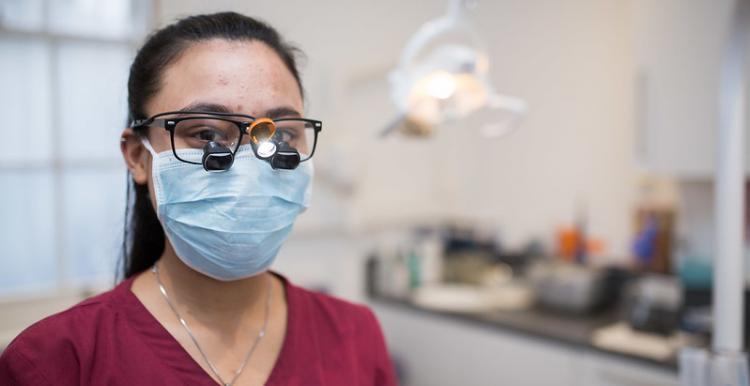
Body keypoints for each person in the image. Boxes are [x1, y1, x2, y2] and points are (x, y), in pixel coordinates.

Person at [0, 12, 397, 386]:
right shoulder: (58, 360)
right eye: (207, 134)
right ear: (139, 156)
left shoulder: (354, 334)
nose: (251, 165)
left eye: (281, 134)